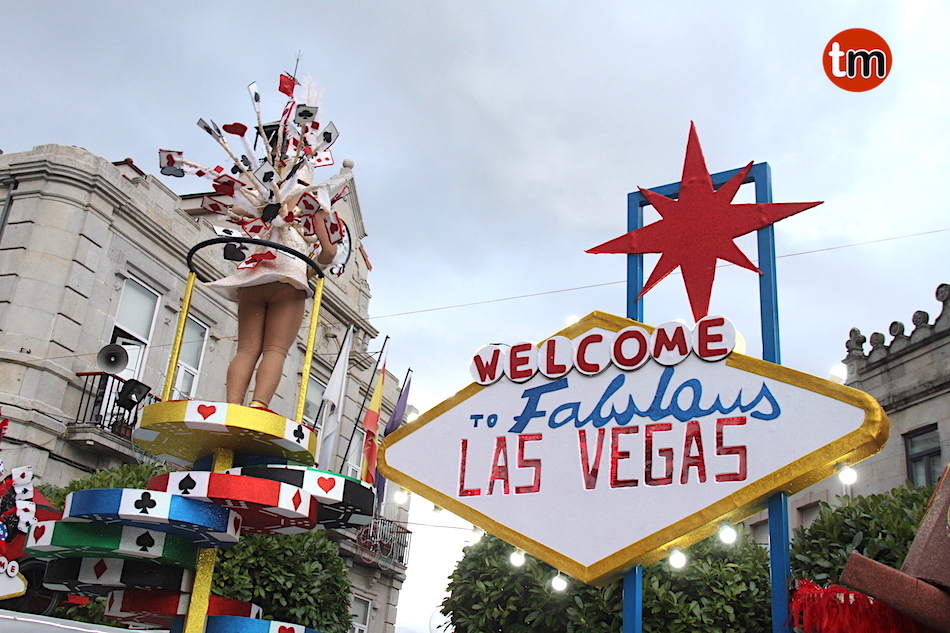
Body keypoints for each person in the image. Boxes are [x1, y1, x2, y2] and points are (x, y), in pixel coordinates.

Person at [206, 194, 338, 411]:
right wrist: (309, 269)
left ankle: (232, 406)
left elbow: (233, 212)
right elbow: (330, 252)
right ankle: (258, 405)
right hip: (288, 282)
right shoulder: (312, 214)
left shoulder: (265, 202)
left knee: (246, 349)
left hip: (254, 280)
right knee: (275, 350)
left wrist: (264, 203)